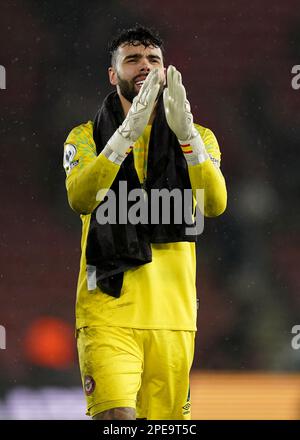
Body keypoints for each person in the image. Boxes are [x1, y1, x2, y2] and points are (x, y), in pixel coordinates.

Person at [63, 25, 227, 420]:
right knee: (116, 420)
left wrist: (186, 137)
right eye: (132, 59)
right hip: (108, 314)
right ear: (112, 73)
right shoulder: (85, 137)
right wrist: (123, 137)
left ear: (165, 71)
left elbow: (215, 204)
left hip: (173, 319)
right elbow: (80, 197)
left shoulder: (200, 137)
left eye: (153, 59)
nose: (144, 67)